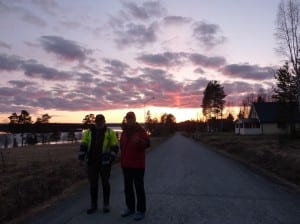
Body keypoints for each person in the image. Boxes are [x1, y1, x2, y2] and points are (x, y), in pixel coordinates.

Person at [78, 114, 119, 214]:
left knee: (105, 183)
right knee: (93, 184)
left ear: (104, 122)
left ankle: (106, 204)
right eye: (97, 121)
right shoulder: (88, 132)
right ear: (95, 122)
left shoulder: (110, 132)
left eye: (101, 121)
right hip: (91, 162)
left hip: (105, 163)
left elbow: (115, 146)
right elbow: (83, 145)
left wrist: (111, 158)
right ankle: (93, 205)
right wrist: (81, 158)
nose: (99, 123)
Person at [120, 111, 150, 221]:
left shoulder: (141, 131)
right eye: (128, 118)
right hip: (126, 165)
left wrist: (139, 141)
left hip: (138, 166)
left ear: (134, 119)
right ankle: (130, 208)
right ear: (126, 119)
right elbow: (122, 147)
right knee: (128, 189)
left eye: (131, 118)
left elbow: (147, 144)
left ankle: (141, 211)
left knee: (139, 188)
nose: (129, 120)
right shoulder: (123, 132)